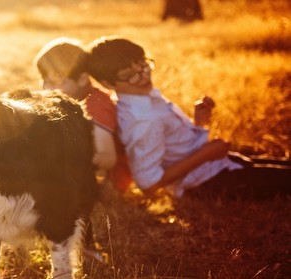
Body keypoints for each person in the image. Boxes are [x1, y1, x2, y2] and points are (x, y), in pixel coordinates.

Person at [86, 36, 291, 200]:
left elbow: (175, 147)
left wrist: (200, 124)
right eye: (131, 74)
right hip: (208, 183)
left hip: (218, 165)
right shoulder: (141, 120)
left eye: (143, 65)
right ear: (108, 83)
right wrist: (205, 154)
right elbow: (148, 182)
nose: (144, 75)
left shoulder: (145, 97)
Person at [34, 37, 132, 192]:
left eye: (56, 82)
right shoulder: (65, 99)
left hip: (108, 180)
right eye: (44, 81)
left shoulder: (96, 105)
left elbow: (107, 158)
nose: (48, 88)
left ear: (82, 79)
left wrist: (67, 163)